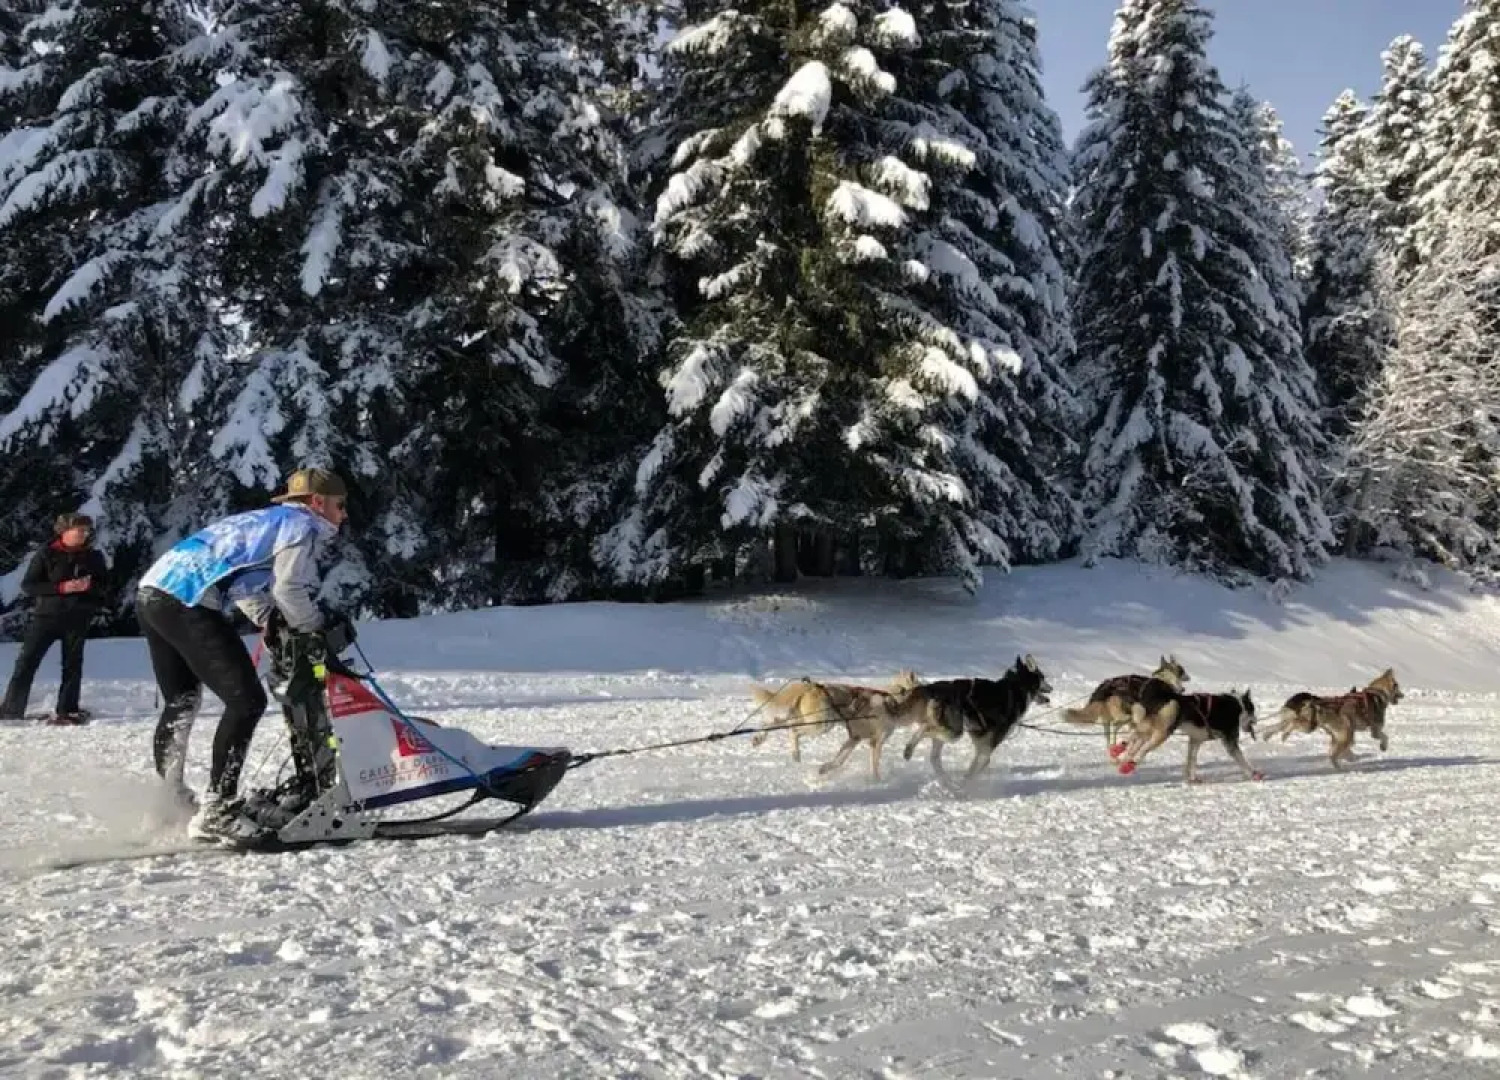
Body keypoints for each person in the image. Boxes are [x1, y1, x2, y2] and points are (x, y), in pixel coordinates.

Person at [135, 467, 353, 842]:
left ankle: (168, 800)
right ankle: (218, 810)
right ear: (318, 503)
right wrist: (313, 627)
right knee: (247, 701)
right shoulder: (302, 525)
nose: (343, 514)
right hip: (188, 599)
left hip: (153, 592)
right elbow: (288, 590)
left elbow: (242, 580)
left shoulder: (267, 520)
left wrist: (268, 620)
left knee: (182, 701)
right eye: (340, 505)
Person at [0, 513, 109, 724]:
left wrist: (89, 589)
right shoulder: (46, 554)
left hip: (78, 617)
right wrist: (61, 588)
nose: (84, 535)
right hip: (46, 617)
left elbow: (104, 585)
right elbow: (29, 585)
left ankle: (67, 710)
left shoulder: (93, 556)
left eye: (86, 531)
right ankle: (12, 708)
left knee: (72, 664)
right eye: (79, 530)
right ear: (65, 531)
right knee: (27, 662)